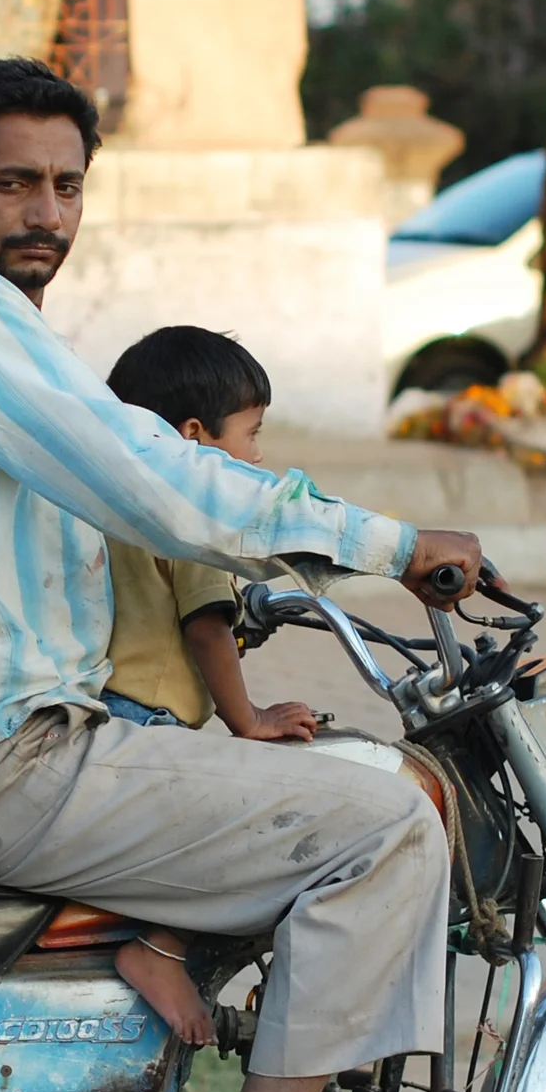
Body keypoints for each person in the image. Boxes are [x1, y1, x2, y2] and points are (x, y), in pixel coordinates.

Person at [0, 58, 482, 1092]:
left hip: (24, 743)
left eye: (65, 186)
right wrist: (387, 542)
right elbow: (156, 477)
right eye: (12, 184)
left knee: (305, 797)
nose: (44, 212)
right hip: (6, 757)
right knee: (384, 827)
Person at [96, 325, 319, 1048]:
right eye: (251, 434)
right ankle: (161, 947)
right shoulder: (190, 512)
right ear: (193, 436)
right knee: (257, 815)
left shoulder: (116, 496)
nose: (257, 456)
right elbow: (206, 629)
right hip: (151, 719)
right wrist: (246, 720)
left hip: (104, 711)